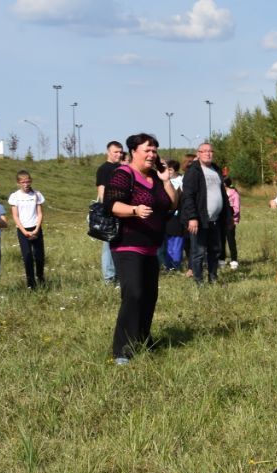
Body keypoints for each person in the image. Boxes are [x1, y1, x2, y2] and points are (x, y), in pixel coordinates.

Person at [105, 133, 176, 365]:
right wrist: (135, 210)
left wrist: (166, 181)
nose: (152, 154)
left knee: (149, 296)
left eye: (154, 150)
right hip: (127, 245)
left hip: (150, 247)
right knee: (133, 294)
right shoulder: (124, 174)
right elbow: (111, 204)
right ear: (134, 151)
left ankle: (143, 339)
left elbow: (171, 204)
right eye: (147, 150)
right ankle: (121, 350)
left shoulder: (155, 177)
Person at [180, 142, 230, 285]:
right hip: (199, 220)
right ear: (198, 154)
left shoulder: (216, 170)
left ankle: (213, 278)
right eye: (204, 151)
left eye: (210, 151)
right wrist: (192, 217)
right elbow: (188, 196)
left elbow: (223, 195)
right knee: (198, 252)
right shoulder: (193, 171)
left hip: (215, 220)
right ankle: (198, 281)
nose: (208, 153)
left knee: (215, 250)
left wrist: (228, 217)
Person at [9, 169, 46, 289]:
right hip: (23, 229)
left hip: (36, 228)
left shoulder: (36, 194)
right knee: (27, 255)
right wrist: (24, 231)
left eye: (28, 181)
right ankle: (31, 283)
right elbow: (15, 216)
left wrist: (36, 229)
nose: (26, 184)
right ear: (18, 183)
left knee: (39, 256)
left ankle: (40, 277)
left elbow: (39, 213)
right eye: (23, 182)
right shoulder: (15, 196)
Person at [96, 141, 125, 284]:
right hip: (110, 212)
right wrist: (107, 211)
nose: (119, 155)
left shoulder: (123, 168)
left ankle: (121, 275)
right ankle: (109, 277)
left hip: (123, 210)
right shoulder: (104, 169)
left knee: (120, 245)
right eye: (116, 152)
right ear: (108, 152)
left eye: (121, 152)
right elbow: (101, 192)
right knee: (109, 244)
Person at [223, 175, 241, 270]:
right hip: (221, 220)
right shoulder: (221, 193)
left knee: (231, 240)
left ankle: (234, 260)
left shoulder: (234, 194)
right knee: (221, 240)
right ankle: (221, 259)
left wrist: (229, 213)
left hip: (230, 221)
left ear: (224, 184)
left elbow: (236, 209)